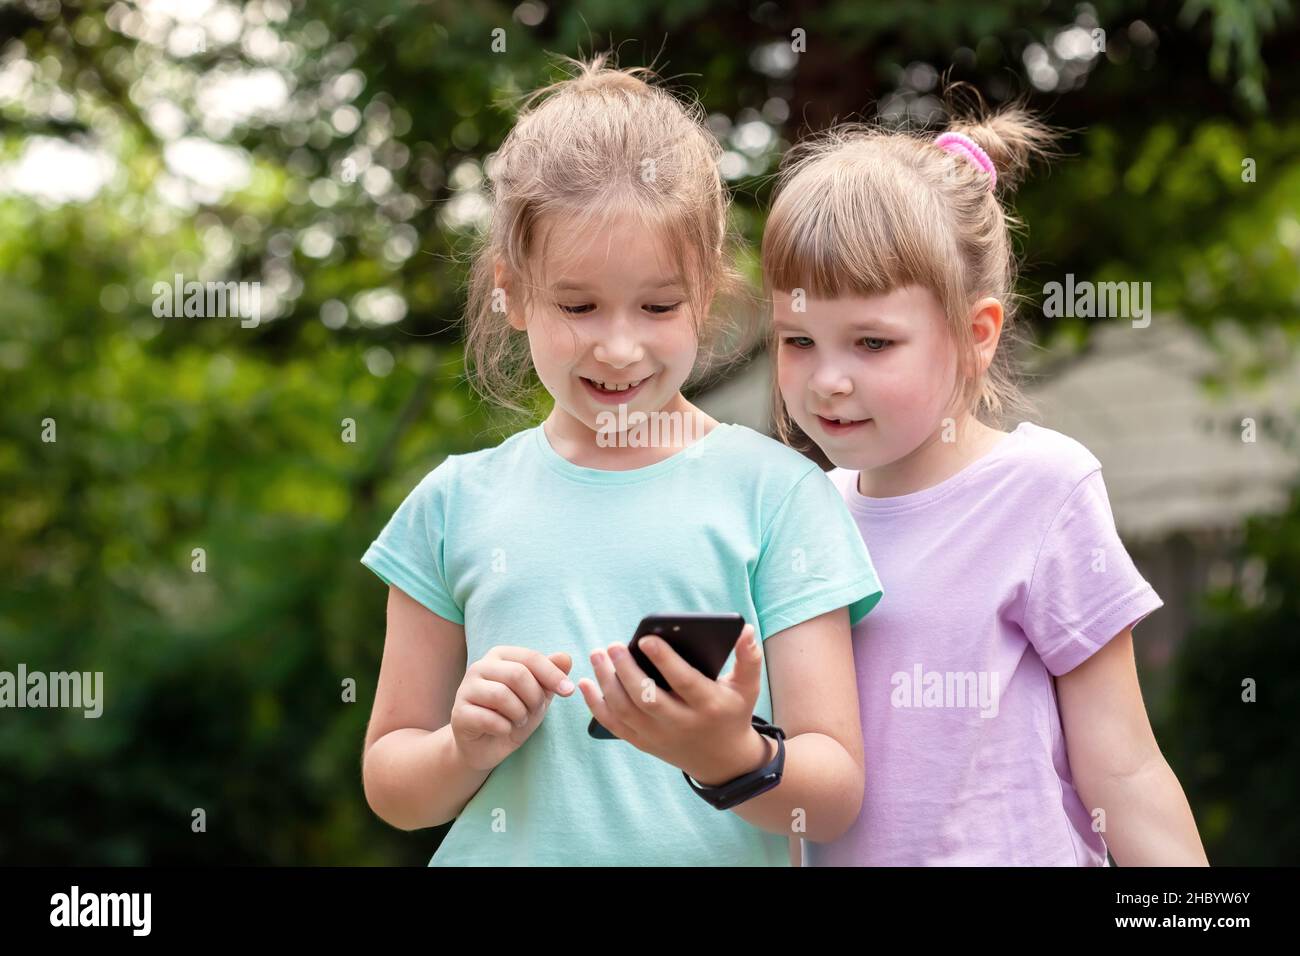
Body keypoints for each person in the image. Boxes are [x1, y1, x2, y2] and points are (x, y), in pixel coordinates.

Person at [359, 55, 883, 866]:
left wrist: (729, 753)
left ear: (706, 293)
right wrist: (462, 746)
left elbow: (835, 795)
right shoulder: (453, 502)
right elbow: (393, 787)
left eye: (658, 304)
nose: (618, 345)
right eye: (577, 305)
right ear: (514, 291)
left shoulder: (778, 494)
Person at [761, 92, 1208, 865]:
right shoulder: (801, 514)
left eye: (871, 341)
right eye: (799, 339)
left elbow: (1126, 769)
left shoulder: (1043, 488)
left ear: (976, 336)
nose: (827, 380)